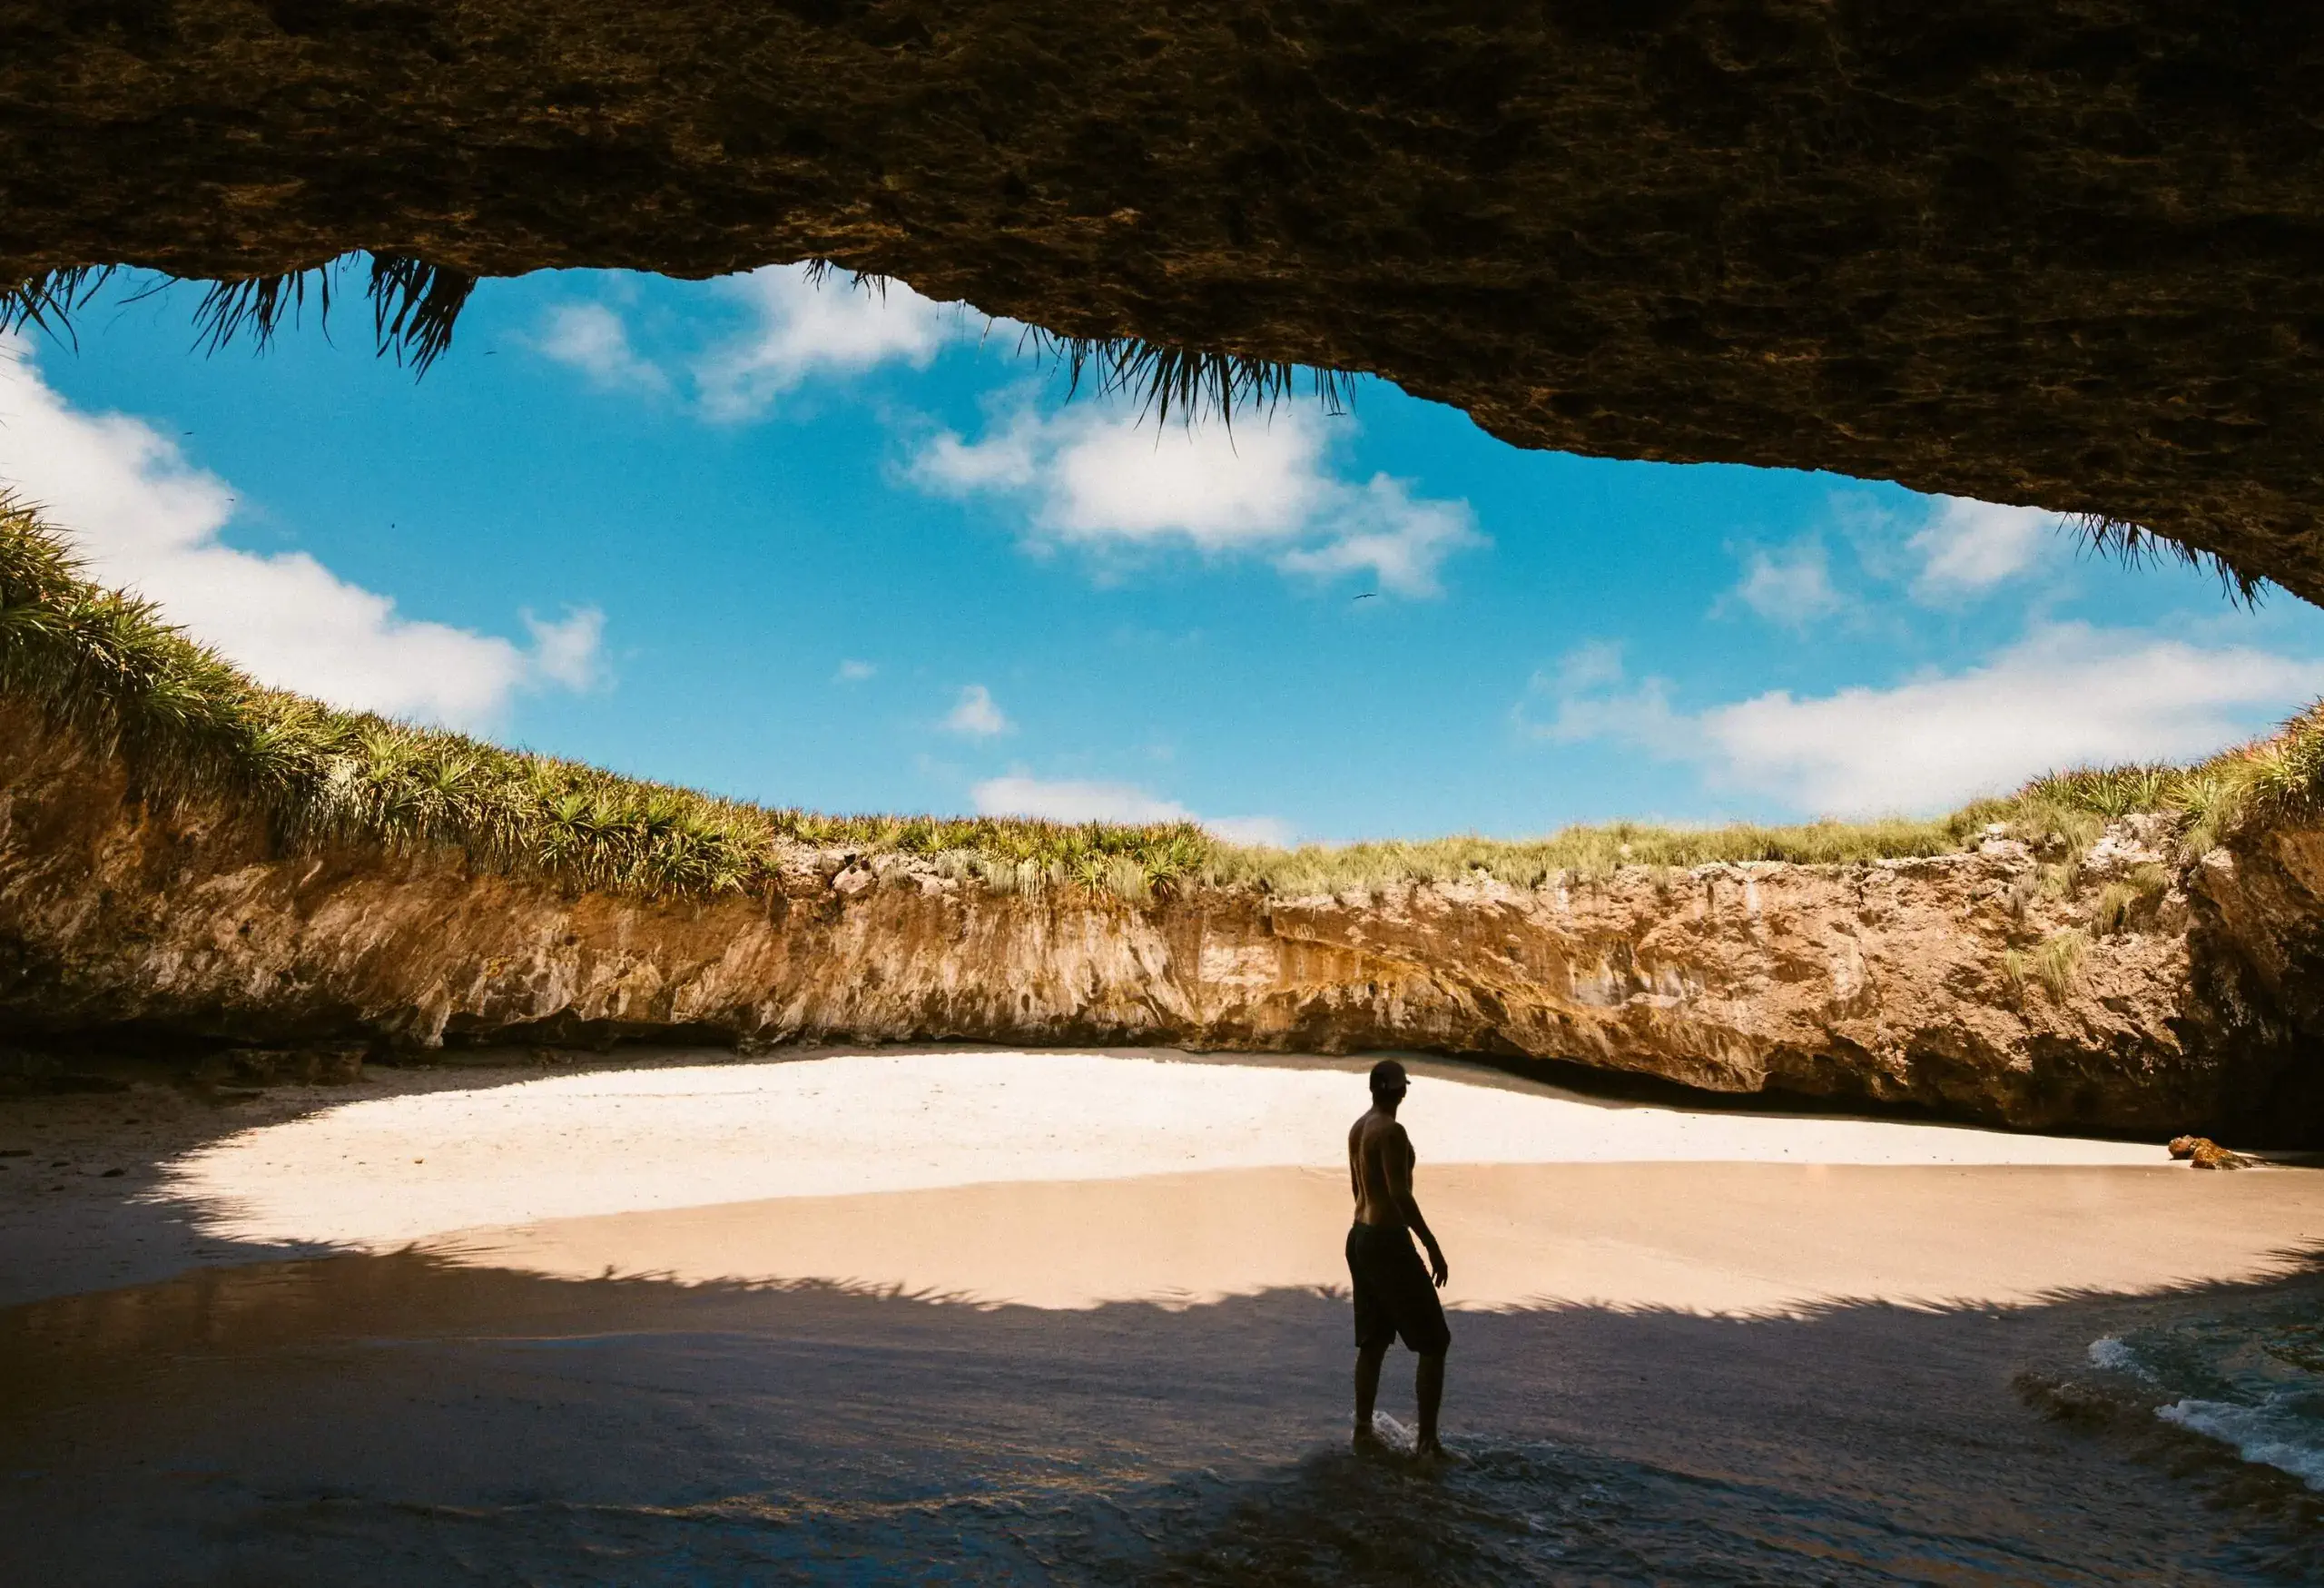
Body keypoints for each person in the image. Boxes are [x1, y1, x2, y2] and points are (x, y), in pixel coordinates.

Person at [1345, 1058, 1450, 1457]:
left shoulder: (1359, 1128)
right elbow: (1399, 1195)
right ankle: (1427, 1442)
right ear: (1400, 1091)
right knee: (1435, 1342)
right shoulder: (1391, 1131)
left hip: (1359, 1237)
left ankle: (1362, 1429)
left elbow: (1358, 1187)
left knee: (1373, 1342)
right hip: (1388, 1241)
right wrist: (1431, 1244)